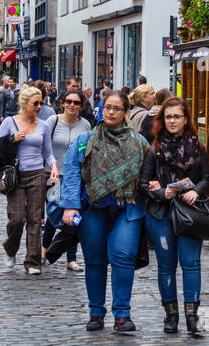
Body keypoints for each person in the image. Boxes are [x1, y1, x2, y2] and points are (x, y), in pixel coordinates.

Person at [61, 90, 151, 331]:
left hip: (127, 208)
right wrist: (70, 206)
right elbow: (70, 174)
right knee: (95, 261)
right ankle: (95, 312)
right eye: (107, 107)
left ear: (125, 112)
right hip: (93, 208)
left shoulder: (140, 143)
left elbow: (150, 175)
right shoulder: (84, 141)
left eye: (116, 108)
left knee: (123, 257)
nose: (110, 112)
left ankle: (122, 314)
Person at [140, 97, 208, 336]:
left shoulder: (197, 148)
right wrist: (163, 192)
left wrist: (195, 191)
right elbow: (143, 185)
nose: (172, 121)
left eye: (176, 116)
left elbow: (206, 178)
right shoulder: (154, 150)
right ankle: (171, 315)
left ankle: (192, 316)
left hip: (189, 215)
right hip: (161, 215)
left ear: (185, 119)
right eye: (168, 117)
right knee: (166, 266)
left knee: (191, 265)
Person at [0, 85, 56, 274]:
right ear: (24, 104)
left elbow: (49, 152)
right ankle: (11, 249)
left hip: (37, 173)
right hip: (15, 175)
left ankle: (33, 261)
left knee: (35, 219)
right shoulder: (9, 122)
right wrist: (12, 139)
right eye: (35, 103)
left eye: (41, 103)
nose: (39, 106)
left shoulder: (44, 125)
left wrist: (53, 166)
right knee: (17, 218)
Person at [42, 87, 91, 272]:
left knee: (74, 216)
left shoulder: (85, 125)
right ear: (62, 103)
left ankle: (71, 259)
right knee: (53, 215)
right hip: (53, 176)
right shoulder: (52, 122)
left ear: (81, 105)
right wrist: (50, 167)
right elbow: (44, 149)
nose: (72, 105)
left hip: (76, 177)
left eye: (76, 102)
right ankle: (44, 250)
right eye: (68, 101)